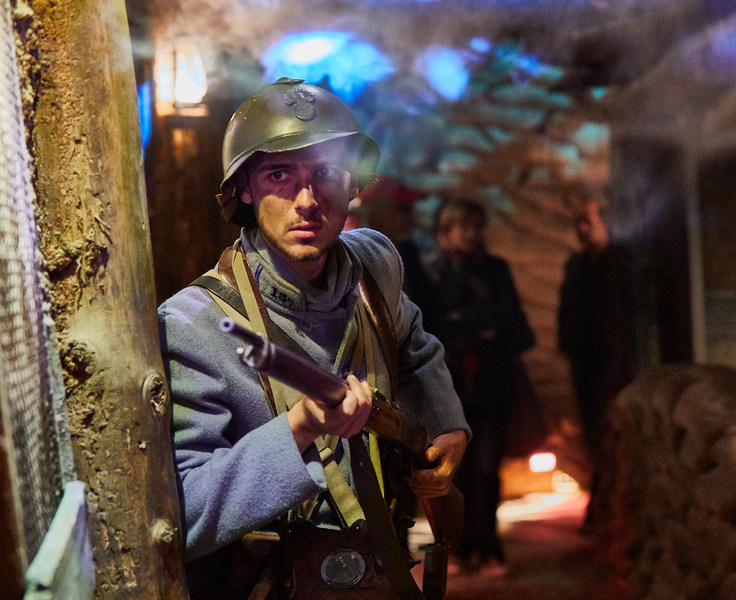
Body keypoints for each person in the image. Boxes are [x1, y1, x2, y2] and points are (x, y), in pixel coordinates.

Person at [157, 78, 470, 600]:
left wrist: (444, 424)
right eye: (280, 175)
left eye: (325, 172)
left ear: (352, 182)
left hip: (384, 574)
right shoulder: (194, 324)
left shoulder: (375, 268)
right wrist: (298, 429)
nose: (307, 199)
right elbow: (185, 515)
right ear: (246, 189)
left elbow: (415, 345)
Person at [420, 199, 535, 577]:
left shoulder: (495, 270)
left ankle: (490, 547)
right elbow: (429, 324)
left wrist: (465, 322)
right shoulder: (432, 271)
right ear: (445, 230)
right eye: (462, 227)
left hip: (491, 384)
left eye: (474, 227)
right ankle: (462, 547)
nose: (470, 235)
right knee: (459, 472)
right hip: (450, 388)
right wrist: (472, 322)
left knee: (487, 470)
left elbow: (510, 320)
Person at [557, 199, 640, 536]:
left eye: (588, 221)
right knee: (594, 435)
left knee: (613, 435)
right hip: (586, 364)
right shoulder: (577, 265)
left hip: (616, 365)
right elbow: (568, 311)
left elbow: (632, 316)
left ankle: (611, 508)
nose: (582, 229)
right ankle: (602, 506)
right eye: (579, 221)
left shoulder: (623, 263)